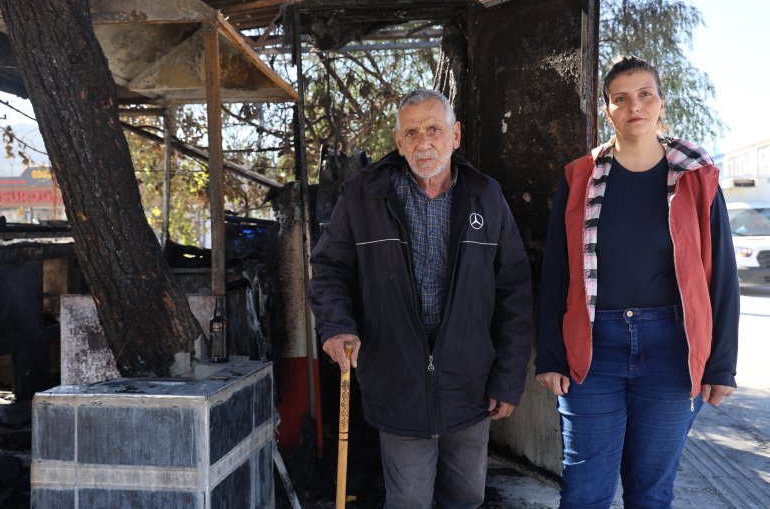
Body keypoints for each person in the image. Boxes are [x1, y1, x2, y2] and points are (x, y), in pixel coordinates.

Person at [308, 89, 533, 508]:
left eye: (434, 129)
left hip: (470, 383)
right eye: (411, 133)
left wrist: (507, 377)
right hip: (398, 381)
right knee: (409, 500)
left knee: (466, 497)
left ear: (456, 135)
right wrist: (337, 326)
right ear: (398, 142)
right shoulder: (363, 195)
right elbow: (329, 270)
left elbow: (514, 292)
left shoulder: (486, 195)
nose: (423, 142)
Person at [536, 56, 740, 508]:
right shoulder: (580, 178)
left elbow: (721, 274)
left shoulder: (696, 176)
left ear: (661, 103)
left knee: (651, 491)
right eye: (621, 98)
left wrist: (720, 363)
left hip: (673, 348)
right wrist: (551, 354)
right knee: (585, 491)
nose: (635, 107)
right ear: (607, 110)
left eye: (645, 94)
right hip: (592, 348)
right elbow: (557, 272)